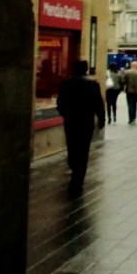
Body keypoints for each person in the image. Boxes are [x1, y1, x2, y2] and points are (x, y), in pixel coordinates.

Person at [57, 59, 105, 196]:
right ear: (86, 69)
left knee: (71, 146)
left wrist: (64, 113)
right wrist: (101, 119)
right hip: (86, 120)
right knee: (83, 150)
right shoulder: (93, 83)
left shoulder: (66, 83)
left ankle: (74, 169)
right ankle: (78, 178)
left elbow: (60, 101)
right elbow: (98, 103)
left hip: (71, 120)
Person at [123, 60, 137, 124]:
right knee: (135, 104)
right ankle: (134, 117)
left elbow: (124, 81)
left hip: (129, 91)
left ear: (131, 65)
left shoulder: (127, 72)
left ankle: (130, 118)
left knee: (130, 104)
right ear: (136, 66)